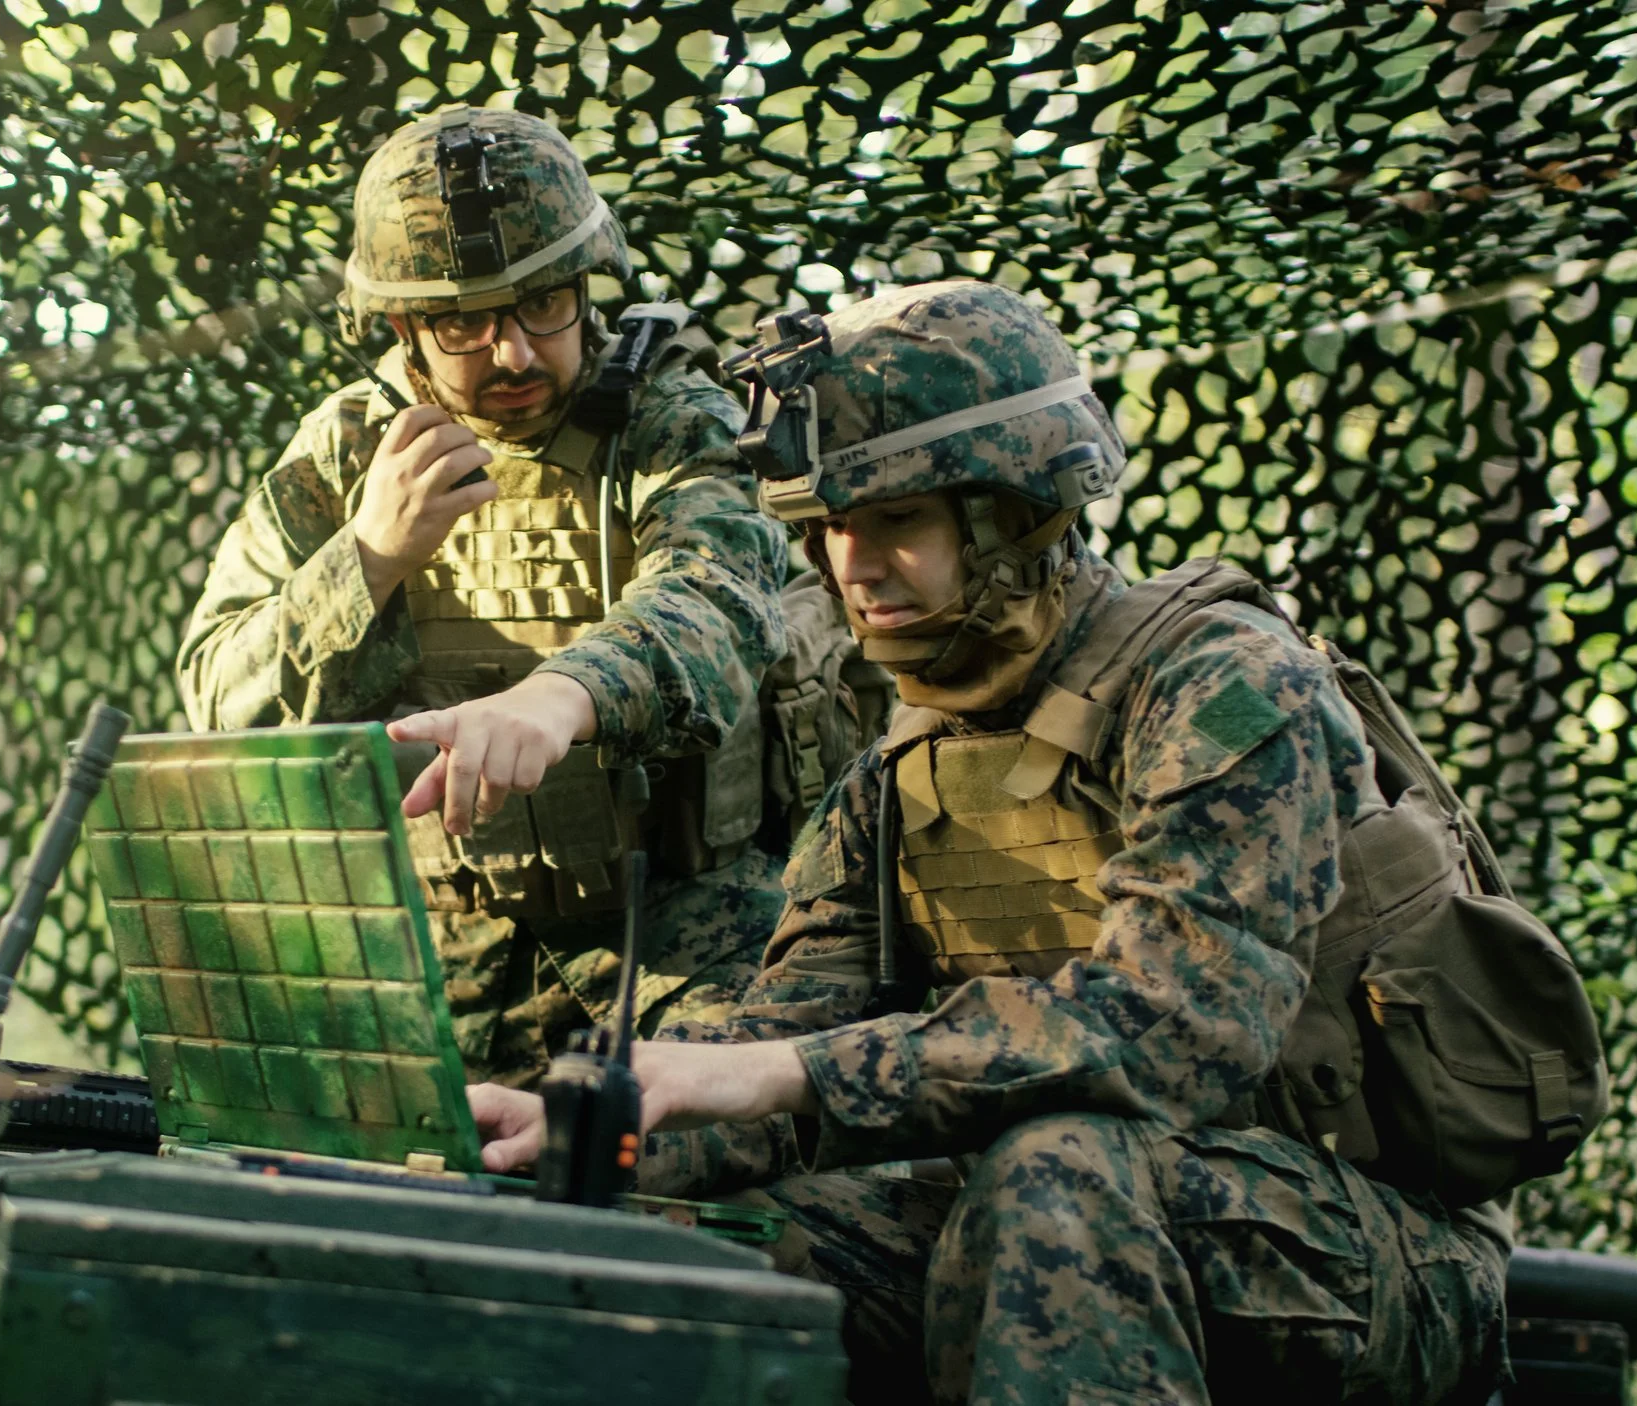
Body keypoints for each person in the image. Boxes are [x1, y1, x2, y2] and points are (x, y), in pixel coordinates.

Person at [467, 280, 1511, 1403]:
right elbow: (785, 1036)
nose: (852, 569)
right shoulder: (905, 759)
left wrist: (784, 1070)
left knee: (1057, 1173)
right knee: (694, 1227)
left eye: (898, 522)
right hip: (1052, 1213)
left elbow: (1175, 1032)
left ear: (1017, 511)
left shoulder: (1223, 684)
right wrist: (595, 1122)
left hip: (1364, 1245)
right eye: (827, 532)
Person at [177, 107, 791, 1085]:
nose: (510, 353)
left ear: (586, 286)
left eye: (543, 302)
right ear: (399, 326)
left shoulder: (675, 420)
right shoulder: (347, 451)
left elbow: (717, 605)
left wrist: (558, 698)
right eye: (463, 321)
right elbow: (218, 698)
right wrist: (368, 554)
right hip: (432, 960)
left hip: (681, 945)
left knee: (711, 1191)